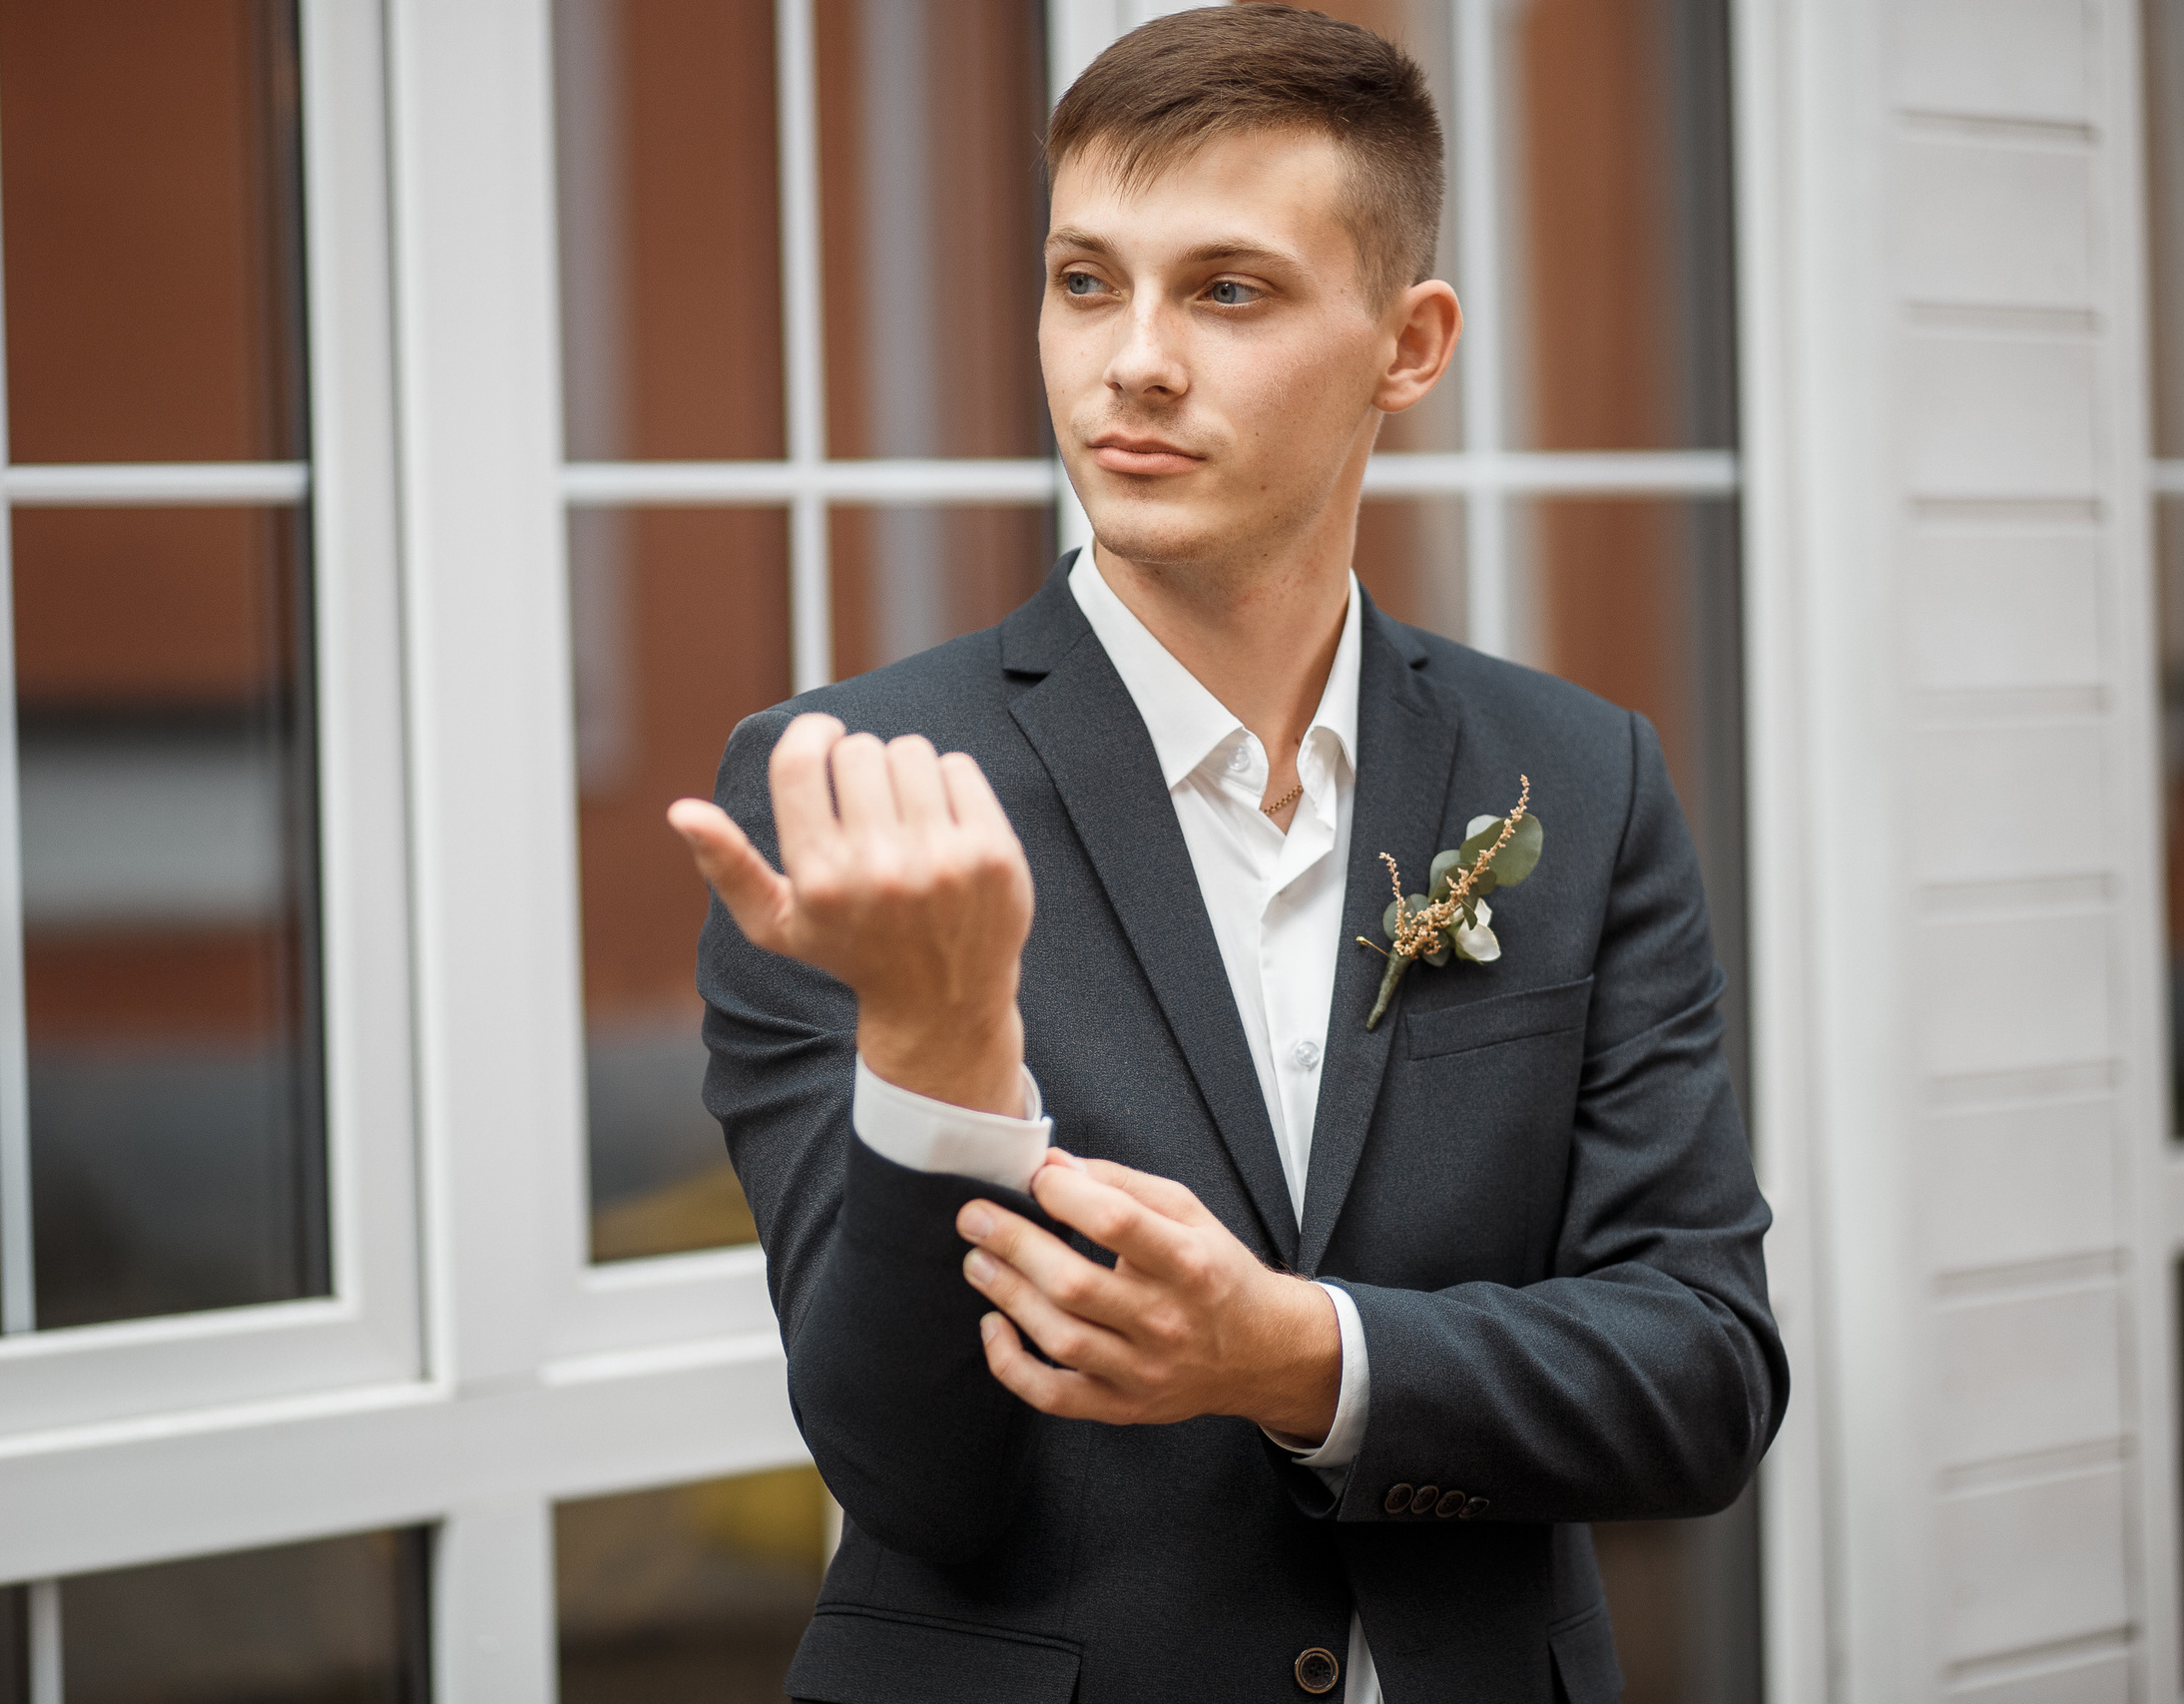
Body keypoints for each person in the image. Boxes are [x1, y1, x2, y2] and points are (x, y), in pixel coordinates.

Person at [666, 8, 1786, 1701]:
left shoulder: (1579, 776)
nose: (1133, 362)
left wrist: (1300, 1356)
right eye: (1086, 281)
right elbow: (911, 1481)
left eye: (1229, 291)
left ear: (1409, 344)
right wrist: (941, 1052)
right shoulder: (848, 794)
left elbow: (1702, 1375)